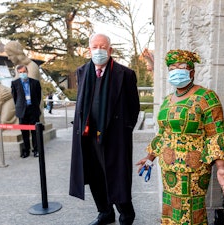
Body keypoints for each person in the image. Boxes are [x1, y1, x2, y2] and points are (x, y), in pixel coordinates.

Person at [136, 49, 224, 225]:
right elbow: (164, 133)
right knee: (170, 209)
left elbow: (216, 134)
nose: (176, 70)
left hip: (194, 169)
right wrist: (150, 158)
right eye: (172, 67)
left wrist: (221, 167)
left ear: (192, 71)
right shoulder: (168, 100)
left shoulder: (206, 97)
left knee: (190, 213)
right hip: (168, 168)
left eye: (181, 66)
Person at [69, 33, 140, 225]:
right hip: (88, 136)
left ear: (110, 50)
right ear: (89, 49)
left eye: (103, 47)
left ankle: (126, 215)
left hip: (114, 137)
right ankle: (105, 212)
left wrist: (124, 131)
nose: (98, 50)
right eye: (95, 47)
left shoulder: (125, 74)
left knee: (117, 178)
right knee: (95, 176)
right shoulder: (83, 71)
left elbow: (134, 109)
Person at [11, 65, 42, 158]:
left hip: (33, 110)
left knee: (35, 132)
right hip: (22, 111)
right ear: (18, 73)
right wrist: (20, 106)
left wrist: (34, 105)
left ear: (27, 72)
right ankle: (26, 151)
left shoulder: (35, 83)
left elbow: (38, 97)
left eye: (24, 72)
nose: (22, 74)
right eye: (20, 72)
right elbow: (15, 97)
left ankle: (36, 150)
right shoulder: (14, 83)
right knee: (24, 132)